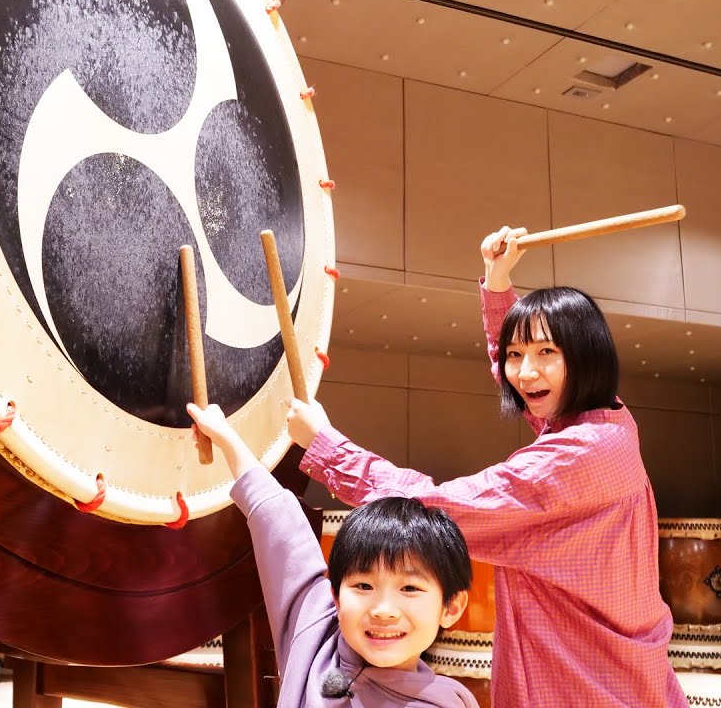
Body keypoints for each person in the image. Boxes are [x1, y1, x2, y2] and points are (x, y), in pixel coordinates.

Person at [285, 227, 689, 707]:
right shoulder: (609, 420)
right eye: (517, 354)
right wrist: (498, 283)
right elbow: (520, 378)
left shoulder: (573, 456)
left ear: (586, 358)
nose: (525, 371)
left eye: (546, 353)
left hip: (585, 681)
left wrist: (325, 446)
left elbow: (435, 506)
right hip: (622, 673)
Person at [187, 402, 479, 707]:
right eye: (364, 586)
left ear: (451, 607)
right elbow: (280, 526)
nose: (383, 610)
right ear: (336, 598)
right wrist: (225, 437)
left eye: (409, 588)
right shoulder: (315, 640)